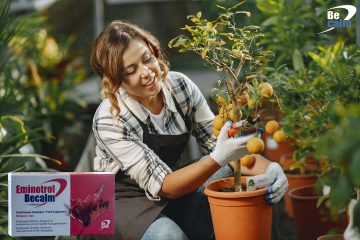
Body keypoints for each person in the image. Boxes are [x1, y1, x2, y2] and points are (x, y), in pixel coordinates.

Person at [90, 20, 288, 240]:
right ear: (115, 82)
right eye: (131, 70)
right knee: (168, 236)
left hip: (171, 183)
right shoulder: (111, 118)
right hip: (122, 201)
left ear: (155, 52)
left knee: (245, 187)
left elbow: (224, 149)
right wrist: (218, 158)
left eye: (147, 59)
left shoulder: (180, 88)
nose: (146, 72)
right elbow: (166, 185)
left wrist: (270, 169)